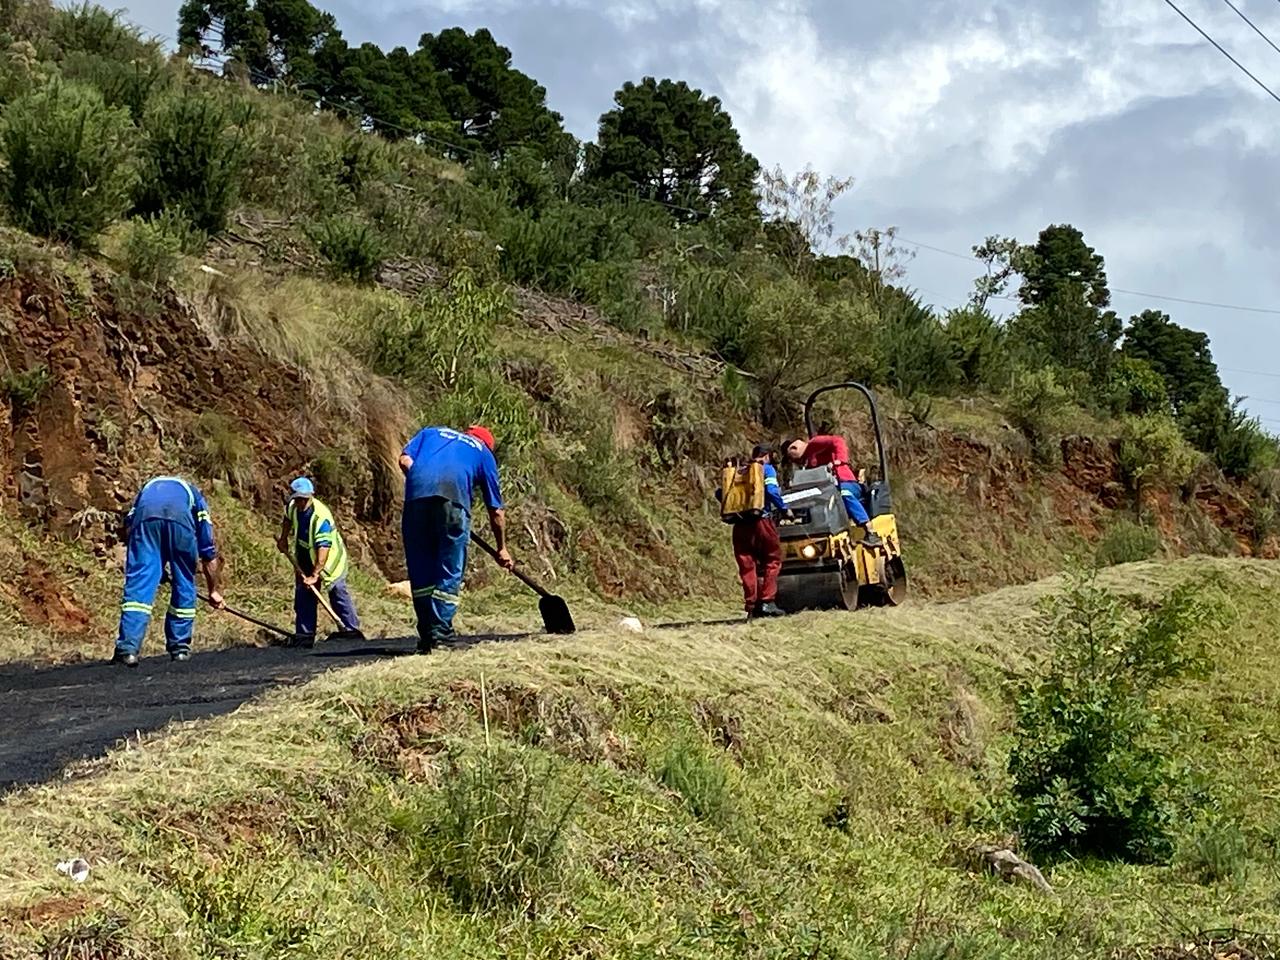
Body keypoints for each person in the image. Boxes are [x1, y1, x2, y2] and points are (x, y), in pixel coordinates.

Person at [399, 424, 513, 653]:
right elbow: (496, 511)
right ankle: (440, 635)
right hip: (453, 501)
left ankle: (427, 634)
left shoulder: (431, 433)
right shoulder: (483, 453)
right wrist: (502, 548)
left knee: (421, 568)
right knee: (449, 568)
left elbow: (404, 460)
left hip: (416, 499)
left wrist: (426, 481)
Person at [114, 475, 224, 667]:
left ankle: (128, 650)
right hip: (180, 523)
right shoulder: (195, 496)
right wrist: (213, 591)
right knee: (184, 582)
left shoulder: (146, 490)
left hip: (146, 521)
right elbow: (207, 549)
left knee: (139, 586)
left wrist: (153, 567)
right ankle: (180, 648)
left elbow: (130, 525)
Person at [276, 476, 362, 646]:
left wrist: (315, 574)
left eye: (304, 500)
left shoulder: (320, 517)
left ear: (310, 497)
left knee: (337, 591)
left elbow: (323, 549)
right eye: (298, 499)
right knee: (304, 592)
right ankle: (305, 635)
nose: (300, 503)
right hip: (305, 556)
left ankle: (351, 631)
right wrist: (283, 538)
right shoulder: (293, 507)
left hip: (330, 561)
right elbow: (287, 519)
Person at [718, 444, 788, 619]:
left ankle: (751, 606)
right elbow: (772, 490)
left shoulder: (738, 471)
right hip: (761, 522)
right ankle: (767, 602)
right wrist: (785, 509)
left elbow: (720, 493)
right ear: (766, 456)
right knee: (772, 560)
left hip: (740, 525)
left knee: (747, 565)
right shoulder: (766, 469)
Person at [786, 434, 882, 545]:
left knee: (844, 494)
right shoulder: (807, 463)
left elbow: (837, 441)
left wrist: (839, 460)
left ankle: (869, 530)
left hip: (845, 482)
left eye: (795, 458)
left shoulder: (814, 443)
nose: (796, 462)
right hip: (828, 491)